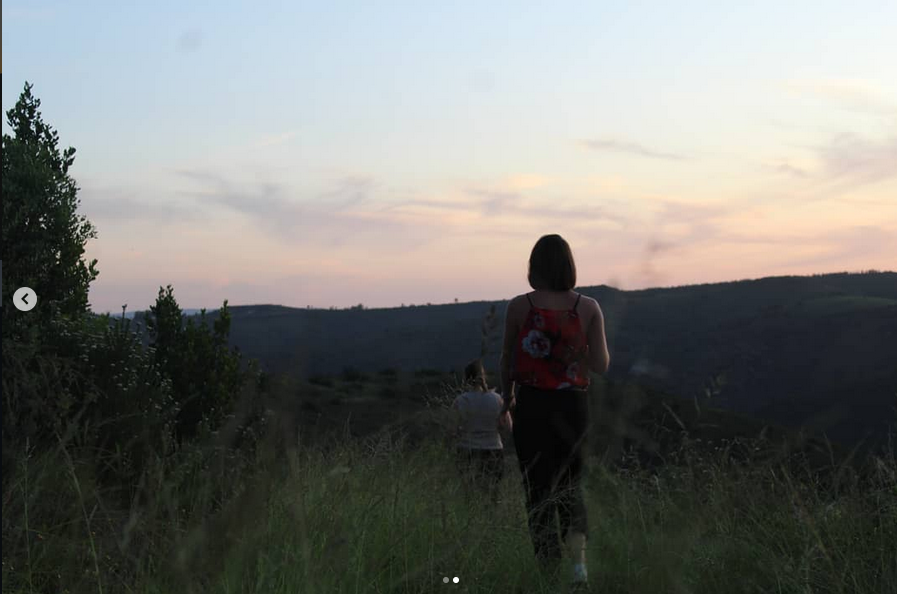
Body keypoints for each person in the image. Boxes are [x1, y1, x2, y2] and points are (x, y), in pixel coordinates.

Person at [499, 234, 610, 589]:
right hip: (573, 407)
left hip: (530, 406)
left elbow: (508, 360)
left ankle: (547, 574)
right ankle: (579, 569)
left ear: (534, 267)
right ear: (569, 266)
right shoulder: (588, 307)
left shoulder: (520, 307)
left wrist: (507, 399)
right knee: (571, 487)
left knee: (537, 489)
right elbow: (601, 365)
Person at [452, 359, 512, 503]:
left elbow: (453, 430)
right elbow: (508, 427)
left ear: (466, 379)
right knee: (492, 495)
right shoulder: (498, 399)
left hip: (467, 451)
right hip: (493, 451)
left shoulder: (460, 401)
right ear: (484, 377)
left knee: (469, 496)